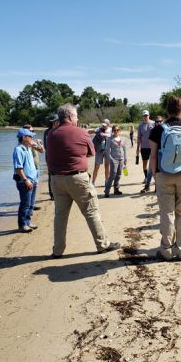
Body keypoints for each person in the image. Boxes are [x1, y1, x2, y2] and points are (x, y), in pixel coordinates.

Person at [46, 104, 121, 257]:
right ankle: (102, 244)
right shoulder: (80, 132)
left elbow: (50, 155)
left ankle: (58, 250)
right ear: (70, 117)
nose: (78, 118)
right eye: (76, 116)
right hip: (77, 178)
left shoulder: (51, 134)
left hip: (56, 179)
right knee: (91, 212)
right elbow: (91, 152)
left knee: (60, 216)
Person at [149, 96, 181, 261]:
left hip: (164, 174)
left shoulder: (158, 129)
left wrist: (155, 175)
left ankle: (166, 249)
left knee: (167, 212)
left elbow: (154, 156)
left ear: (167, 110)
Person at [12, 128, 39, 233]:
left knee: (31, 204)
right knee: (25, 204)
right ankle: (22, 224)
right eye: (30, 136)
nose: (32, 138)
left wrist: (36, 145)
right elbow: (18, 168)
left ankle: (28, 222)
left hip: (33, 180)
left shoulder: (28, 148)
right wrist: (26, 180)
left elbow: (41, 151)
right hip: (25, 181)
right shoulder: (19, 150)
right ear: (24, 138)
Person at [22, 124, 44, 212]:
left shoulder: (33, 141)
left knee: (34, 188)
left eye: (33, 131)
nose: (32, 133)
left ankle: (31, 206)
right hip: (27, 171)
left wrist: (39, 144)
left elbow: (42, 151)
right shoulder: (22, 144)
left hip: (36, 168)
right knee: (27, 190)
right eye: (30, 131)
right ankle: (27, 210)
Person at [140, 116, 164, 194]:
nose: (158, 123)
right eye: (157, 121)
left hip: (162, 154)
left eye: (160, 121)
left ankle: (158, 187)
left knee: (159, 171)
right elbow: (150, 144)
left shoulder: (165, 130)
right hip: (153, 153)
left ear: (163, 121)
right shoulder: (153, 131)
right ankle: (147, 186)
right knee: (151, 171)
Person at [104, 125, 128, 197]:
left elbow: (124, 149)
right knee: (112, 175)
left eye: (117, 130)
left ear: (119, 130)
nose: (116, 131)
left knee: (119, 175)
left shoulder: (123, 139)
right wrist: (111, 159)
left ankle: (116, 190)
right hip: (114, 159)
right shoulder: (110, 139)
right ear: (112, 131)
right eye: (114, 130)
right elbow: (107, 151)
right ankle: (107, 191)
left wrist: (125, 159)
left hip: (122, 159)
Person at [89, 119, 112, 186]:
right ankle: (93, 182)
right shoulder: (98, 129)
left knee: (107, 166)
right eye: (103, 125)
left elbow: (113, 136)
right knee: (96, 166)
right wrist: (93, 130)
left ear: (108, 124)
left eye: (105, 125)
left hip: (107, 150)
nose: (104, 126)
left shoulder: (111, 130)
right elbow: (88, 132)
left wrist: (105, 135)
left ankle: (107, 181)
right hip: (99, 150)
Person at [43, 114, 60, 200]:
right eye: (57, 121)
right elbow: (46, 146)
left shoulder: (56, 131)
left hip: (52, 156)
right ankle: (52, 194)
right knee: (51, 175)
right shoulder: (48, 132)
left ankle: (56, 193)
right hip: (50, 157)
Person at [136, 110, 155, 184]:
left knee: (153, 163)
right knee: (145, 163)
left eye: (146, 115)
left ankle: (154, 178)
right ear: (142, 116)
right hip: (144, 147)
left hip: (153, 147)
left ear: (149, 116)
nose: (145, 117)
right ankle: (146, 177)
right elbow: (139, 137)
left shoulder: (153, 123)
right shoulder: (140, 125)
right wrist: (137, 148)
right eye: (144, 115)